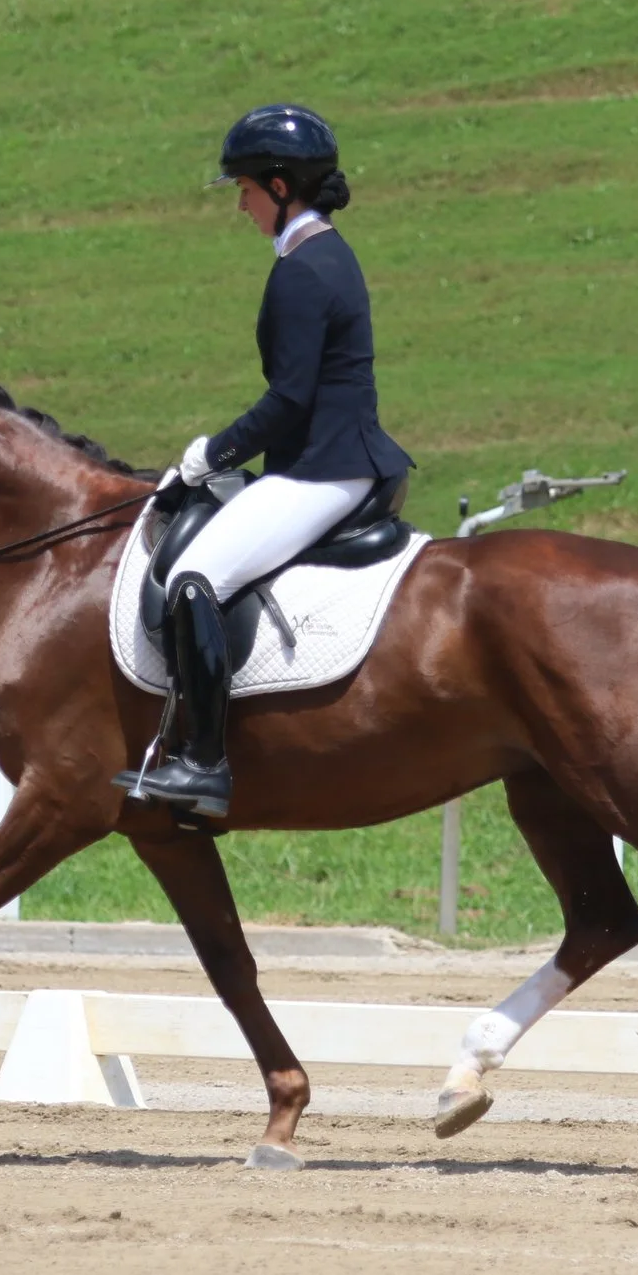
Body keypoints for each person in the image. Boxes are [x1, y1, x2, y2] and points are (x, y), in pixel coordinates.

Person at [124, 104, 415, 817]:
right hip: (328, 458)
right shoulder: (321, 254)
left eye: (247, 189)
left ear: (282, 187)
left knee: (195, 575)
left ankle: (203, 762)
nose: (241, 204)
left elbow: (288, 399)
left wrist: (210, 453)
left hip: (325, 469)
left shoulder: (304, 270)